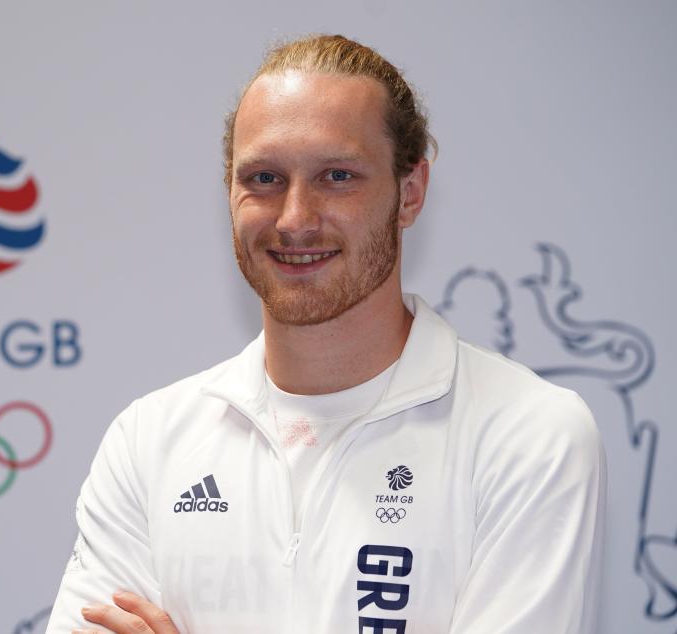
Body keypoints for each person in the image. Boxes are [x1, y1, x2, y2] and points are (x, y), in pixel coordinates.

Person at [46, 34, 605, 634]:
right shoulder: (149, 441)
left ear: (410, 192)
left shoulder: (528, 435)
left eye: (336, 175)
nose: (294, 218)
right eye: (263, 178)